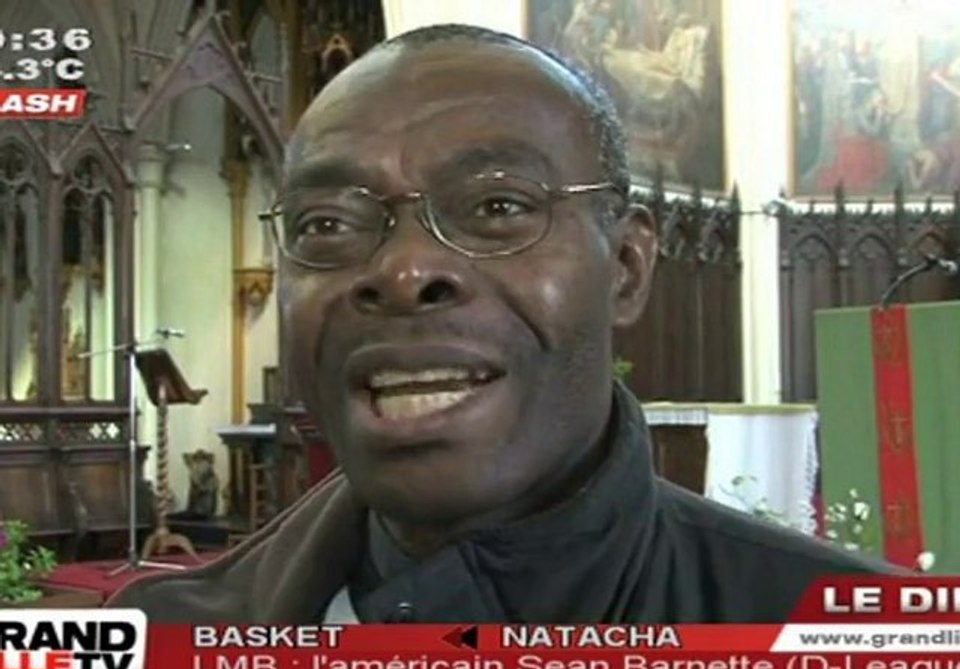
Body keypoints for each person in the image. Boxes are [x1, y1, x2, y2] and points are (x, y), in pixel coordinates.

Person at [109, 24, 889, 623]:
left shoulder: (852, 648)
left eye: (497, 207)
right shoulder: (157, 650)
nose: (405, 272)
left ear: (625, 268)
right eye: (326, 223)